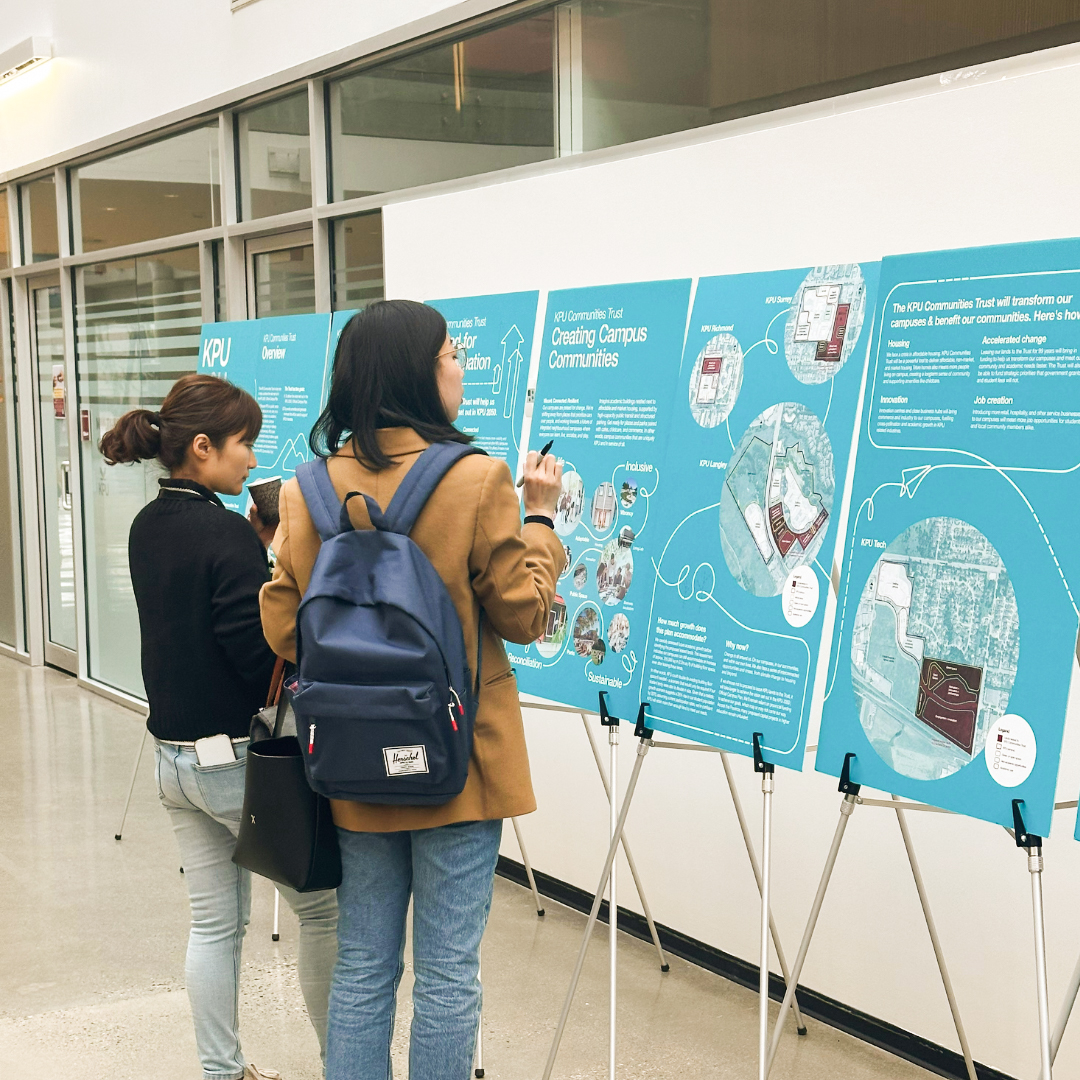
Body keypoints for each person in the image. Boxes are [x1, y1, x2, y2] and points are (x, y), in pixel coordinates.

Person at [260, 300, 564, 1080]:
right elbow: (524, 615)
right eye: (452, 354)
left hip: (353, 758)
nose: (461, 367)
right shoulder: (477, 479)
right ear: (419, 375)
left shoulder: (306, 490)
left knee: (363, 963)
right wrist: (541, 521)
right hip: (460, 761)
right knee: (448, 974)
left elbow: (287, 631)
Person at [101, 373, 338, 1080]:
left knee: (213, 925)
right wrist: (277, 569)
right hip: (236, 764)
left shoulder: (148, 525)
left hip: (172, 761)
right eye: (244, 444)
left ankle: (222, 1071)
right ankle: (345, 1063)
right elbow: (255, 655)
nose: (252, 460)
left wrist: (251, 552)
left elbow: (193, 622)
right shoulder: (226, 532)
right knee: (324, 912)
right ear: (202, 447)